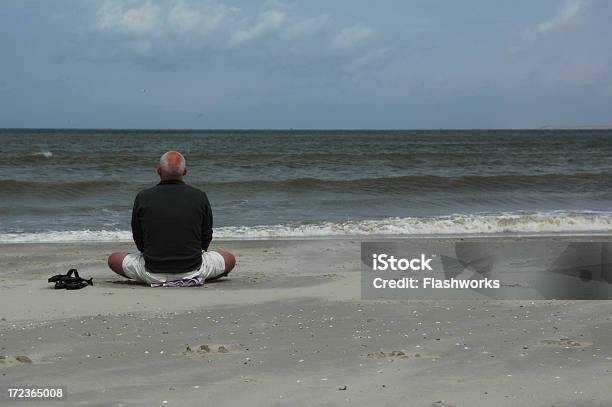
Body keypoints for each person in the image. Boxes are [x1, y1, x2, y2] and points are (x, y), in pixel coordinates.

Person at [107, 151, 235, 285]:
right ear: (185, 172)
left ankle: (166, 278)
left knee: (113, 259)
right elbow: (206, 236)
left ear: (158, 171)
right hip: (193, 269)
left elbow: (138, 238)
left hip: (151, 271)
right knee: (229, 258)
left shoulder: (143, 197)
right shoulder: (199, 196)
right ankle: (189, 278)